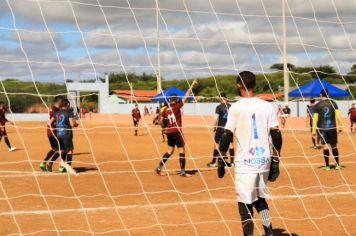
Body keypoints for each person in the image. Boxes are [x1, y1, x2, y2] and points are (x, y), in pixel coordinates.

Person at [217, 71, 282, 236]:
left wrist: (220, 158)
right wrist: (276, 161)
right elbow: (276, 135)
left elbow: (226, 136)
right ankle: (269, 232)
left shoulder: (236, 107)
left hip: (245, 163)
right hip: (263, 160)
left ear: (239, 85)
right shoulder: (266, 105)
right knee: (259, 199)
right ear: (254, 84)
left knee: (244, 204)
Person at [155, 80, 197, 177]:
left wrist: (164, 127)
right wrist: (192, 85)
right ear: (176, 100)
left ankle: (159, 167)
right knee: (181, 150)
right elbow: (186, 95)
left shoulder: (165, 110)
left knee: (170, 151)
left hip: (169, 132)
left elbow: (160, 121)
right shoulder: (177, 106)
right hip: (177, 131)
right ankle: (182, 171)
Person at [312, 89, 343, 171]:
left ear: (320, 95)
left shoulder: (317, 105)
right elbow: (338, 116)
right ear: (328, 94)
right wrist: (340, 127)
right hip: (332, 128)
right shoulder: (333, 103)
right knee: (334, 146)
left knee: (325, 147)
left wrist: (313, 131)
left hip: (323, 129)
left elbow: (315, 119)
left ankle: (327, 166)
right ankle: (337, 165)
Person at [49, 99, 78, 173]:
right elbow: (72, 124)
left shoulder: (56, 112)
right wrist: (76, 124)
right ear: (67, 104)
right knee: (70, 150)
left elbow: (49, 123)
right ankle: (68, 167)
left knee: (62, 150)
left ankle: (54, 164)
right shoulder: (69, 112)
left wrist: (57, 125)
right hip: (66, 134)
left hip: (59, 134)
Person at [206, 93, 235, 167]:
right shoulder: (231, 107)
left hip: (220, 127)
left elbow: (216, 118)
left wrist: (214, 126)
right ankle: (232, 163)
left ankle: (213, 162)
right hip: (229, 128)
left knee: (216, 144)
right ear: (226, 98)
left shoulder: (219, 107)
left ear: (220, 98)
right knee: (230, 144)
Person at [39, 95, 63, 171]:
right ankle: (50, 163)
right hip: (53, 132)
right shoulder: (56, 110)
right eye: (62, 101)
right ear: (58, 101)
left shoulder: (53, 109)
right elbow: (52, 120)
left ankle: (43, 163)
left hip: (50, 132)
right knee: (62, 149)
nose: (62, 102)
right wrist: (53, 123)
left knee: (54, 148)